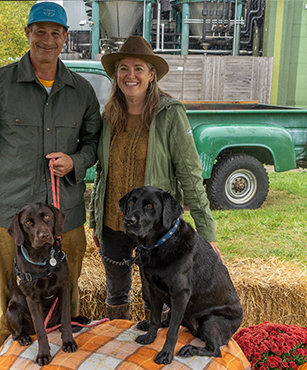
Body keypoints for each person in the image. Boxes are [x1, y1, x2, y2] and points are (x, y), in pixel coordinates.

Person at [0, 2, 102, 346]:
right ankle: (11, 360)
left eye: (55, 33)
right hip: (9, 217)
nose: (47, 39)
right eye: (40, 31)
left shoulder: (81, 90)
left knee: (66, 298)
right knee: (12, 302)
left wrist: (75, 161)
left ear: (66, 38)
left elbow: (94, 143)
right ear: (28, 33)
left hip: (63, 218)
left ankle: (66, 359)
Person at [89, 36, 222, 322]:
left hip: (155, 227)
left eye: (139, 68)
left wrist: (206, 232)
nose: (131, 75)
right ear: (116, 75)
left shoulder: (170, 114)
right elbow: (102, 174)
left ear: (152, 75)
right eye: (124, 68)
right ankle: (116, 352)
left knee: (156, 292)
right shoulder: (109, 116)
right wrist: (95, 221)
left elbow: (190, 174)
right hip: (115, 222)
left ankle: (152, 351)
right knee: (116, 292)